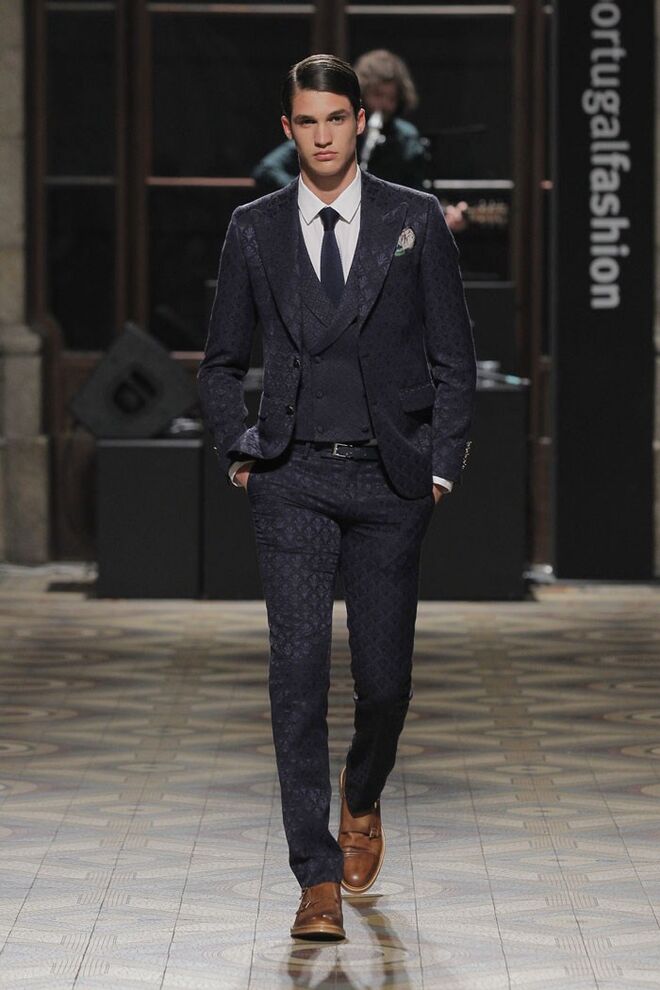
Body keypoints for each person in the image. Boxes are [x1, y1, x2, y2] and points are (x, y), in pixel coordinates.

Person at [197, 54, 476, 941]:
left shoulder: (414, 218)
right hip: (293, 480)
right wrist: (240, 451)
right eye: (306, 122)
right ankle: (315, 879)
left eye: (335, 119)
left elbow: (454, 355)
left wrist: (441, 467)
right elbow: (219, 362)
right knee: (297, 676)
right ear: (289, 130)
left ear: (361, 122)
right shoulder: (253, 228)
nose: (322, 136)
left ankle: (362, 789)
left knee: (385, 686)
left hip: (391, 481)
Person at [252, 48, 468, 232]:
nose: (383, 105)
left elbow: (417, 192)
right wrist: (311, 196)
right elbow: (268, 168)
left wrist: (442, 215)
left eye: (391, 98)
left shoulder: (406, 138)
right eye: (377, 95)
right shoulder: (341, 130)